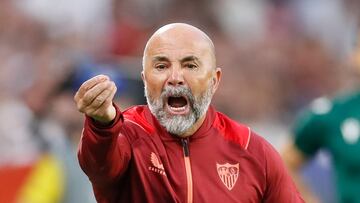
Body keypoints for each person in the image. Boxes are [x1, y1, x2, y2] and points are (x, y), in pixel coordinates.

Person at [74, 23, 304, 203]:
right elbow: (98, 164)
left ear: (214, 80)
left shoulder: (253, 151)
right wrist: (102, 123)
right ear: (145, 80)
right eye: (161, 66)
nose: (175, 77)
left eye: (190, 65)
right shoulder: (126, 133)